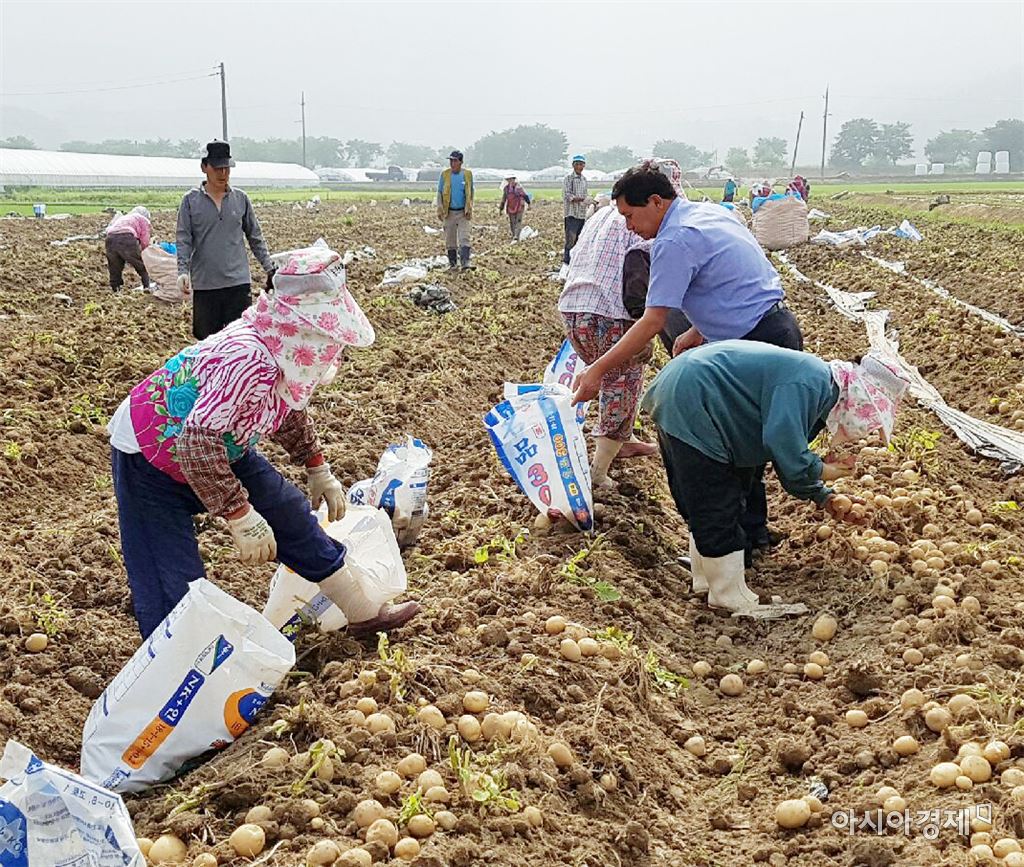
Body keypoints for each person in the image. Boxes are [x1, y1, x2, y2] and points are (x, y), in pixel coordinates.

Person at [106, 244, 420, 639]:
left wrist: (316, 464)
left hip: (221, 442)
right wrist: (239, 515)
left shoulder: (283, 350)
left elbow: (284, 405)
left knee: (287, 512)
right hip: (151, 453)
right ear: (299, 321)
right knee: (168, 572)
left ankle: (360, 610)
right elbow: (195, 443)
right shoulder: (249, 357)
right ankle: (179, 659)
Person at [572, 162, 803, 560]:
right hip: (776, 327)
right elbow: (728, 277)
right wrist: (698, 329)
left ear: (656, 202)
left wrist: (598, 369)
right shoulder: (709, 214)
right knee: (747, 442)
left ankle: (731, 549)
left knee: (726, 447)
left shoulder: (673, 240)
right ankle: (752, 534)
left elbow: (652, 321)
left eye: (630, 215)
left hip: (752, 340)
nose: (629, 227)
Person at [642, 341, 910, 617]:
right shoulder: (809, 384)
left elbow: (786, 458)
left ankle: (705, 580)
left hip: (690, 394)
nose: (867, 427)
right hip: (694, 398)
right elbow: (783, 444)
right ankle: (728, 596)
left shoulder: (820, 388)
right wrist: (822, 470)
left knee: (714, 498)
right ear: (859, 398)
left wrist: (823, 496)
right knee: (716, 500)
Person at [557, 204, 659, 487]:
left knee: (614, 377)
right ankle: (598, 472)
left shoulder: (603, 213)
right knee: (623, 383)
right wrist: (644, 326)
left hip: (573, 308)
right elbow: (639, 275)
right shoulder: (644, 221)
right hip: (610, 312)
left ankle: (624, 439)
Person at [176, 141, 276, 342]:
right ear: (204, 167)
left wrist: (269, 268)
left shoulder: (241, 199)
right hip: (206, 284)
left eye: (226, 168)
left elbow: (255, 237)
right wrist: (182, 271)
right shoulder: (190, 201)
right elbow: (184, 239)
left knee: (240, 341)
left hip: (238, 284)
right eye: (217, 168)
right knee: (207, 342)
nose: (223, 174)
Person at [436, 150, 474, 270]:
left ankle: (465, 262)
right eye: (451, 161)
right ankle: (452, 264)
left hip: (463, 212)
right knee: (450, 239)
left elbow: (471, 192)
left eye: (455, 161)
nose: (452, 163)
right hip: (449, 212)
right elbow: (440, 192)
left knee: (464, 237)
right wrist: (439, 208)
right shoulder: (445, 175)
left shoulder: (467, 174)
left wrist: (470, 207)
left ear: (461, 162)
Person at [104, 206, 153, 292]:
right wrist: (144, 252)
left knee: (114, 266)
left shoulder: (124, 218)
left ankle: (116, 289)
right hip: (126, 238)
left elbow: (110, 229)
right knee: (140, 265)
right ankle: (147, 286)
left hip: (110, 238)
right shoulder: (143, 220)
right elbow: (145, 240)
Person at [562, 154, 589, 264]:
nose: (579, 167)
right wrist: (582, 199)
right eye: (577, 164)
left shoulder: (584, 180)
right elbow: (568, 196)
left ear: (584, 166)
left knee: (579, 239)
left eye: (581, 164)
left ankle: (576, 262)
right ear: (573, 165)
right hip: (571, 214)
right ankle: (567, 262)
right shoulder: (569, 178)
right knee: (570, 240)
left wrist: (588, 201)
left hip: (581, 214)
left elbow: (585, 195)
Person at [498, 175, 531, 240]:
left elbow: (525, 196)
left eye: (511, 179)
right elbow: (504, 199)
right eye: (509, 180)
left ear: (514, 179)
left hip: (519, 206)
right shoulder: (506, 189)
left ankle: (516, 235)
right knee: (512, 222)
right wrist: (501, 209)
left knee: (518, 221)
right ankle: (514, 235)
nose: (510, 181)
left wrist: (529, 204)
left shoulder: (518, 187)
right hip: (511, 207)